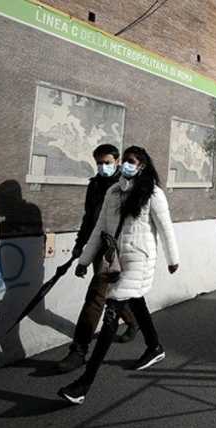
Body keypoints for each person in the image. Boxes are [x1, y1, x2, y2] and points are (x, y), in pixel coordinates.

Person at [58, 146, 180, 404]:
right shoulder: (113, 192)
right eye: (125, 160)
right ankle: (154, 347)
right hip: (115, 258)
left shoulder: (153, 193)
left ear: (142, 165)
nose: (126, 165)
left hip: (139, 259)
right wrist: (84, 260)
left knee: (112, 312)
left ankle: (84, 385)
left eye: (131, 161)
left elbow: (166, 228)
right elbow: (98, 229)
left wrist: (173, 259)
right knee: (136, 300)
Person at [55, 144, 141, 374]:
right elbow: (89, 218)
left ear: (117, 161)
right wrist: (79, 246)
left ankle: (79, 351)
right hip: (98, 246)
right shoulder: (94, 185)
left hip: (119, 249)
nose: (103, 167)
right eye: (99, 163)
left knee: (96, 296)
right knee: (109, 291)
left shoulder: (127, 185)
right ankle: (133, 321)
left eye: (107, 162)